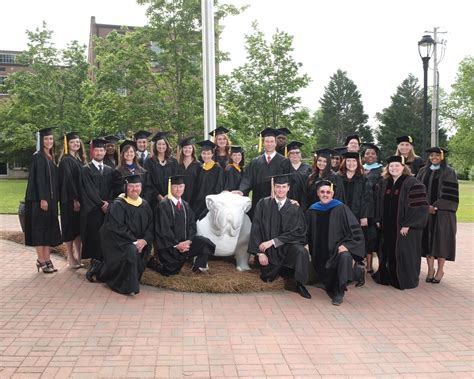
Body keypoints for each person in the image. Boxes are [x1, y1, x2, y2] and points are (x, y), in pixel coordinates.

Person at [87, 174, 154, 295]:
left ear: (141, 187)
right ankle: (126, 287)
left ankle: (130, 280)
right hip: (119, 241)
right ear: (125, 187)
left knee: (137, 254)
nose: (135, 189)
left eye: (137, 186)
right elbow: (116, 227)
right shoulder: (118, 204)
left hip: (140, 243)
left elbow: (151, 225)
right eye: (131, 186)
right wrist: (135, 241)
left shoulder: (144, 204)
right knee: (131, 251)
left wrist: (144, 240)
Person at [249, 174, 311, 299]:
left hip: (287, 248)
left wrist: (273, 241)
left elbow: (298, 232)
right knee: (267, 278)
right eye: (278, 187)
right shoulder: (263, 204)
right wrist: (259, 253)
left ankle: (300, 284)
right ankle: (283, 271)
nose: (281, 190)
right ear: (273, 187)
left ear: (288, 188)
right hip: (270, 252)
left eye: (284, 187)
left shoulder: (294, 207)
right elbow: (256, 229)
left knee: (301, 251)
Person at [306, 181, 366, 305]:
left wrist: (347, 246)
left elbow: (355, 231)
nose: (325, 194)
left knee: (345, 257)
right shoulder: (312, 210)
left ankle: (339, 292)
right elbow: (305, 232)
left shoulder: (341, 208)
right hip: (320, 252)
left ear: (332, 193)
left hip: (338, 250)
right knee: (324, 280)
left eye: (328, 192)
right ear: (318, 193)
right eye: (322, 192)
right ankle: (356, 274)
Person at [373, 156, 429, 290]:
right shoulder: (384, 183)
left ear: (403, 167)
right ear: (387, 168)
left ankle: (403, 279)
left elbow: (419, 206)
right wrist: (378, 219)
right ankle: (386, 276)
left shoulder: (413, 183)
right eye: (391, 166)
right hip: (387, 227)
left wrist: (408, 224)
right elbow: (378, 204)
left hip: (404, 228)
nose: (394, 168)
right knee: (386, 249)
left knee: (404, 252)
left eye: (397, 166)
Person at [152, 175, 216, 276]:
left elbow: (192, 226)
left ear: (184, 187)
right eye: (175, 186)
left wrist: (188, 241)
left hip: (186, 245)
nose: (178, 189)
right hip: (170, 247)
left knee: (205, 243)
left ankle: (199, 267)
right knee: (171, 272)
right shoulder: (163, 205)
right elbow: (163, 230)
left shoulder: (186, 205)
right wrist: (177, 245)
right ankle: (153, 262)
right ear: (170, 188)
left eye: (181, 186)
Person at [416, 147, 458, 284]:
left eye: (437, 155)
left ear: (442, 157)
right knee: (427, 241)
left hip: (443, 214)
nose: (434, 157)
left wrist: (436, 206)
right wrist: (425, 206)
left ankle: (440, 270)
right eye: (432, 155)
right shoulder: (423, 171)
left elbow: (450, 194)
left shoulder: (449, 172)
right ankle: (430, 269)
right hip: (425, 212)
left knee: (441, 241)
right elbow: (417, 190)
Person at [24, 127, 62, 273]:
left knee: (48, 231)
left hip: (51, 201)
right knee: (40, 230)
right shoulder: (38, 156)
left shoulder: (50, 156)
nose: (49, 141)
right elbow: (39, 179)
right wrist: (43, 199)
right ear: (41, 141)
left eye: (51, 139)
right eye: (46, 139)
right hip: (42, 201)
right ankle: (40, 260)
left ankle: (47, 259)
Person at [81, 138, 115, 276]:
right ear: (92, 152)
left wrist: (109, 203)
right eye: (97, 150)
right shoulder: (86, 169)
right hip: (93, 209)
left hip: (107, 209)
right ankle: (94, 263)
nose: (100, 152)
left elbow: (113, 189)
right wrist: (101, 204)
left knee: (105, 236)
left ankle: (104, 262)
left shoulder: (109, 170)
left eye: (102, 150)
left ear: (105, 151)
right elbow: (88, 190)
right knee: (94, 236)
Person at [236, 128, 285, 219]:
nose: (269, 144)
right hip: (258, 200)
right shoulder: (255, 162)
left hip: (276, 200)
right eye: (267, 141)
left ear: (275, 143)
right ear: (263, 143)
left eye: (271, 141)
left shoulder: (284, 161)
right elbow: (247, 179)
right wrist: (241, 191)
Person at [58, 131, 86, 269]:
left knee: (78, 229)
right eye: (72, 142)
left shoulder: (78, 159)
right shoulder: (66, 160)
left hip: (79, 200)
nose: (75, 144)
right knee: (69, 228)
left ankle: (79, 255)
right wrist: (75, 199)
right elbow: (68, 182)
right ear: (67, 144)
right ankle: (70, 256)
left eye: (77, 141)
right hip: (69, 201)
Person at [337, 152, 373, 232]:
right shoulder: (338, 177)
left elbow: (367, 198)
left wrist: (364, 216)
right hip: (340, 214)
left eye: (354, 161)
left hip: (357, 214)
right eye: (348, 161)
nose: (351, 163)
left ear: (358, 163)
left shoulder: (363, 179)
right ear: (344, 162)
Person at [361, 143, 383, 274]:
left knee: (373, 237)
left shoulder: (381, 170)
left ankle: (371, 265)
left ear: (376, 156)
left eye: (373, 153)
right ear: (363, 156)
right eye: (367, 153)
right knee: (363, 236)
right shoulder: (360, 169)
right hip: (362, 208)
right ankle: (363, 263)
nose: (370, 155)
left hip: (375, 208)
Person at [144, 131, 178, 210]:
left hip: (171, 199)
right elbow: (148, 182)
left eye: (163, 144)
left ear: (167, 146)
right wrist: (158, 196)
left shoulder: (173, 162)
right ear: (155, 146)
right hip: (154, 201)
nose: (161, 146)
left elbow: (176, 180)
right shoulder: (149, 162)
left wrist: (169, 194)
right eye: (159, 144)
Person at [192, 140, 224, 220]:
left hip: (210, 203)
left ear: (212, 154)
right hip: (198, 202)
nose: (206, 156)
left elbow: (218, 188)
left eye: (208, 153)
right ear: (201, 154)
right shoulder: (200, 168)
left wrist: (211, 202)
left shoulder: (217, 168)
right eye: (204, 153)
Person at [281, 141, 311, 208]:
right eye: (292, 153)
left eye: (297, 152)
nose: (295, 154)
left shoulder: (308, 168)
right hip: (287, 199)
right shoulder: (284, 167)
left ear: (301, 154)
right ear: (288, 155)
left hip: (304, 200)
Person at [176, 136, 202, 205]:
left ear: (193, 149)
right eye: (185, 148)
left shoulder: (198, 165)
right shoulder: (177, 164)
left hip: (194, 197)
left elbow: (200, 183)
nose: (187, 150)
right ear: (182, 149)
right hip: (180, 197)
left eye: (189, 148)